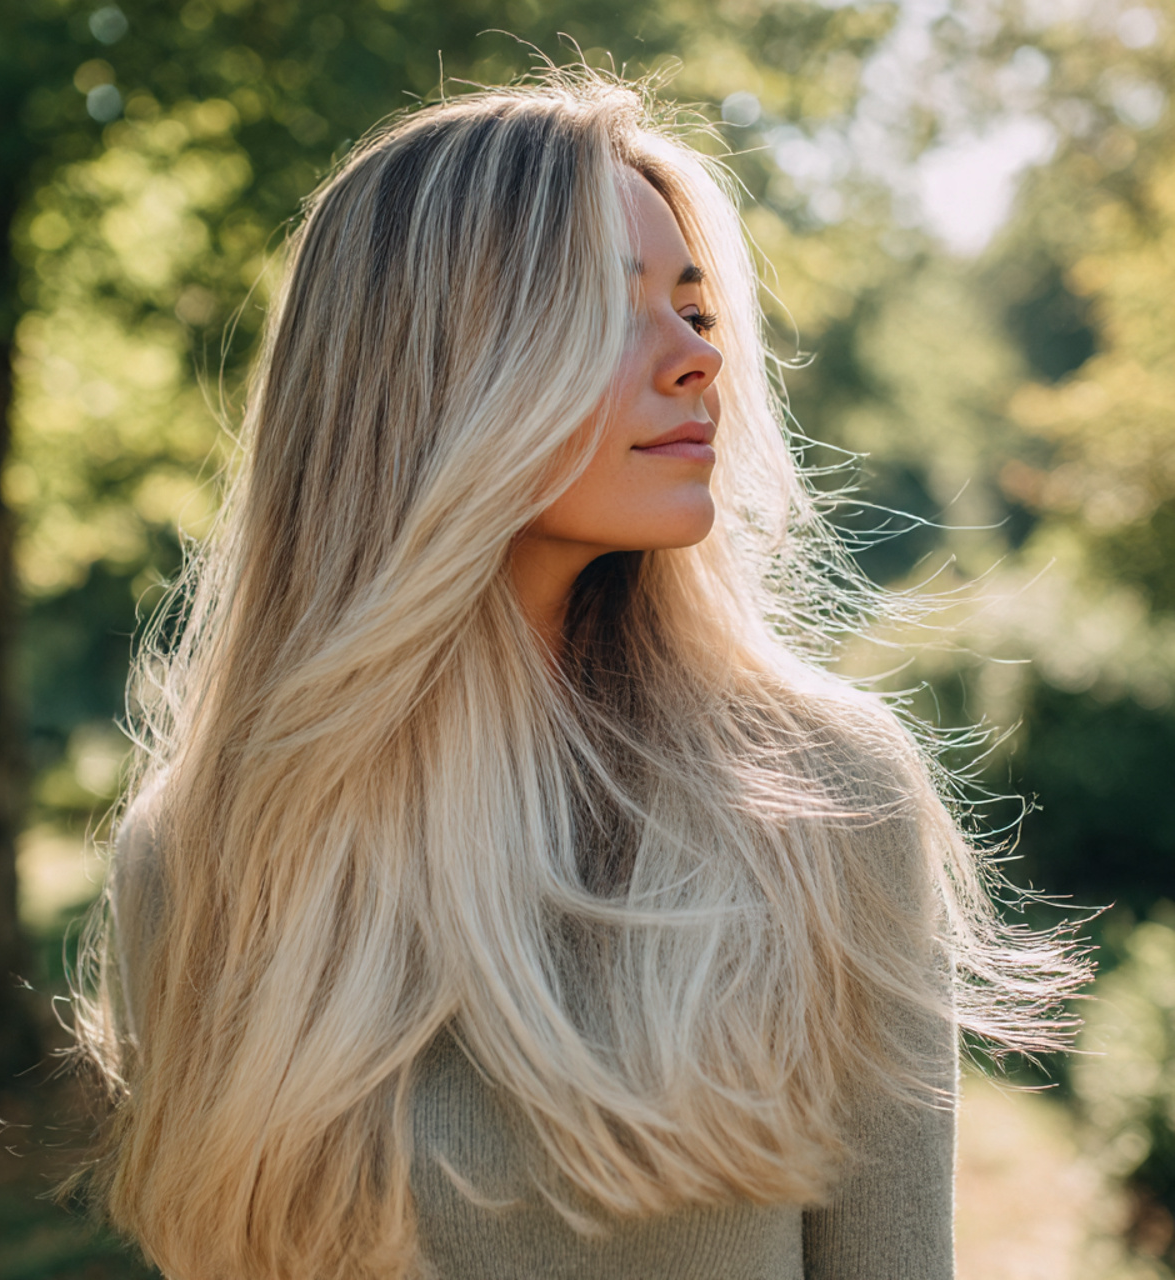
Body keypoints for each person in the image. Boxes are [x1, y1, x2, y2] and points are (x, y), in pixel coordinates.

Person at [71, 70, 1084, 1280]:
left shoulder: (823, 800)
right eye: (608, 309)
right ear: (429, 370)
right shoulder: (204, 851)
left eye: (693, 309)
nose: (696, 359)